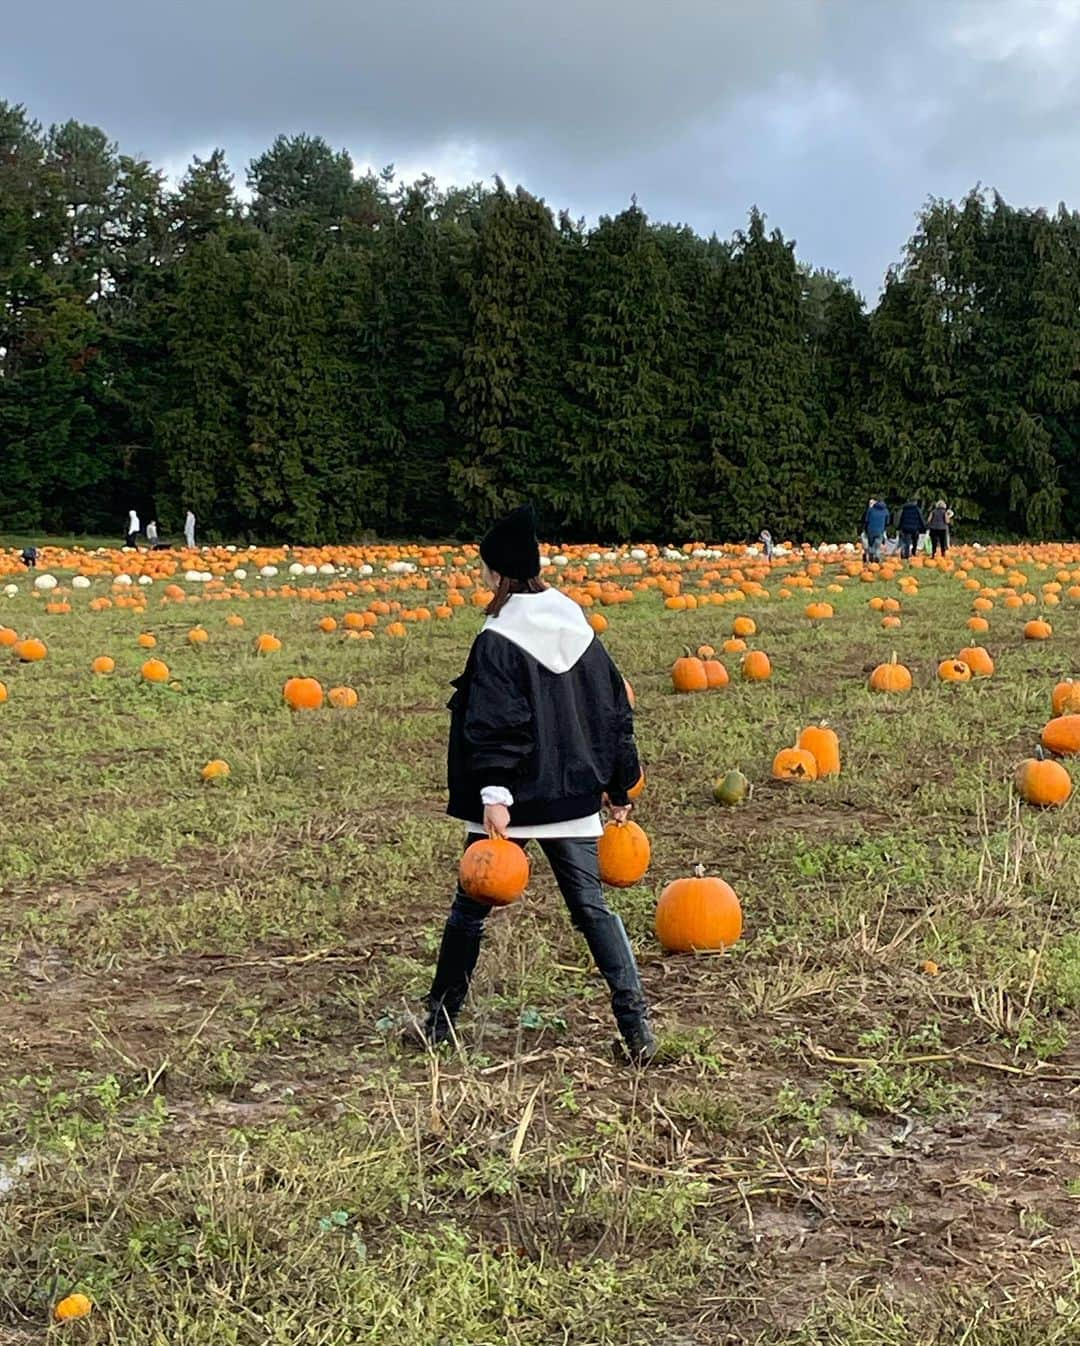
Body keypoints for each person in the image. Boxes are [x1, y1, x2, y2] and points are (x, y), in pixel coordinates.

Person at [421, 504, 655, 1063]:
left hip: (516, 799)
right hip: (573, 797)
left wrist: (495, 795)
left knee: (470, 906)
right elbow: (613, 713)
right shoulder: (579, 627)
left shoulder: (498, 638)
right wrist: (620, 788)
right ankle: (637, 1027)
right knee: (591, 909)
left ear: (498, 574)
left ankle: (439, 1023)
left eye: (485, 569)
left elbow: (496, 723)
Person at [862, 498, 890, 562]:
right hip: (880, 530)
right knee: (877, 545)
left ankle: (871, 555)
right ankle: (877, 556)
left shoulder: (870, 510)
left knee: (871, 544)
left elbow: (866, 520)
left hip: (870, 530)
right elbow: (887, 522)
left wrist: (866, 529)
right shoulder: (886, 511)